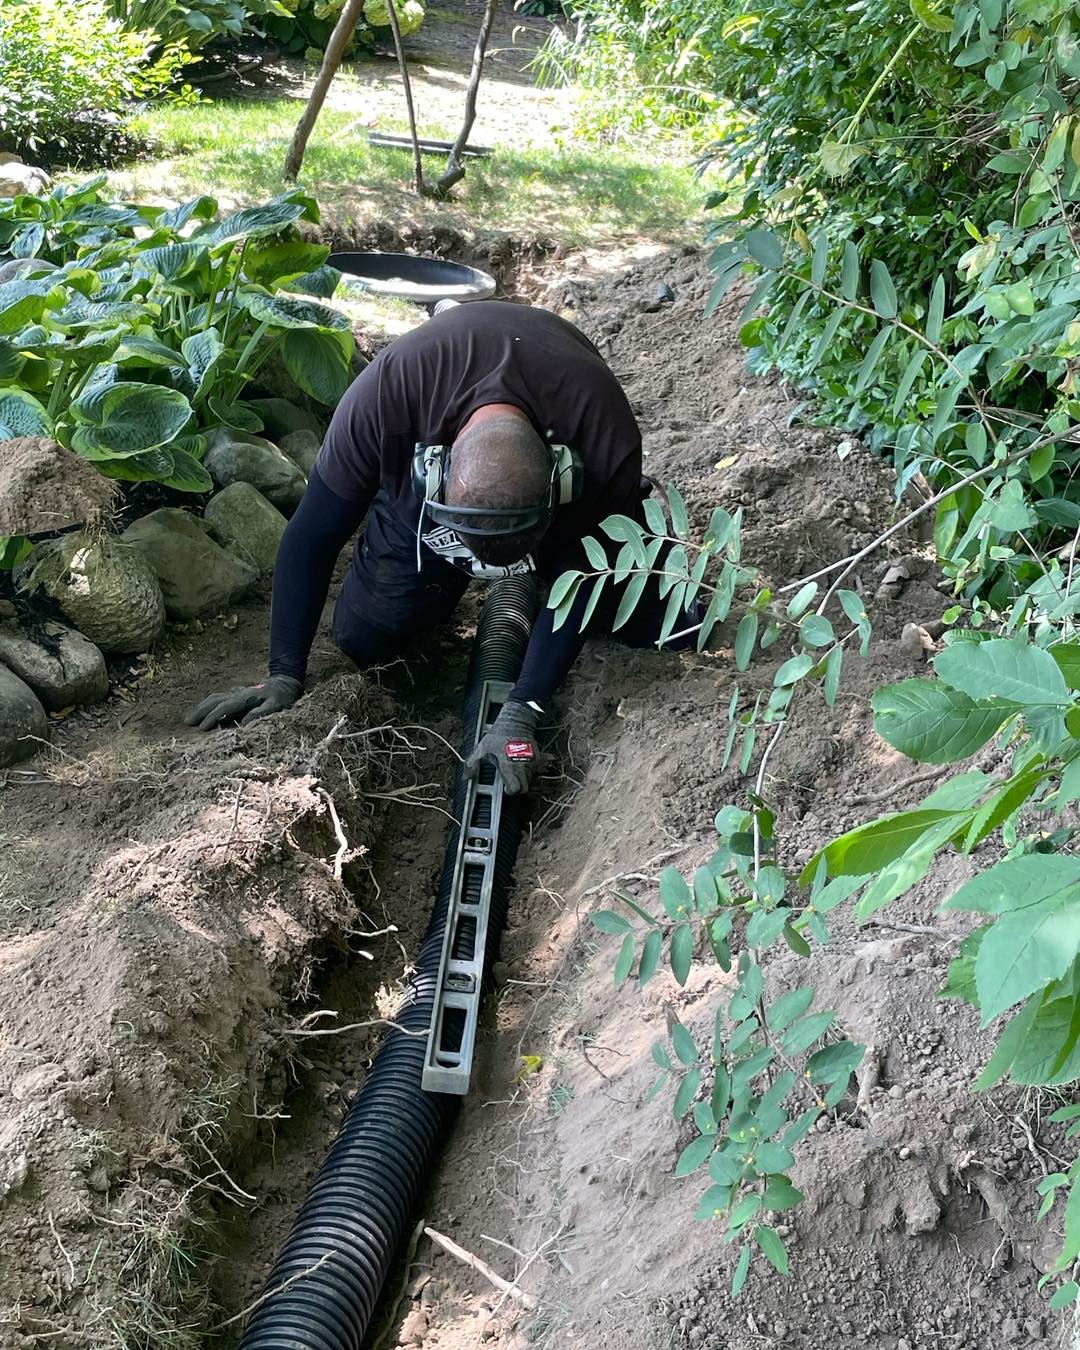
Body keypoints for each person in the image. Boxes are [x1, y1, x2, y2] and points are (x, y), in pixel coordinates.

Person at [186, 300, 698, 793]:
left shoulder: (600, 430)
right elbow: (311, 535)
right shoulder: (384, 401)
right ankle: (445, 565)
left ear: (560, 479)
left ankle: (536, 581)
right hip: (429, 497)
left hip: (569, 507)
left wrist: (525, 707)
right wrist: (282, 674)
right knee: (367, 639)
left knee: (668, 624)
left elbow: (586, 577)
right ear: (433, 471)